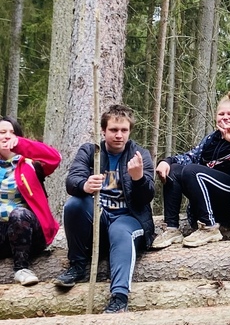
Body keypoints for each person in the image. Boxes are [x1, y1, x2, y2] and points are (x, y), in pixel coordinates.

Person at [54, 104, 156, 313]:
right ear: (103, 130)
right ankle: (77, 266)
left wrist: (138, 179)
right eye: (113, 130)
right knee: (74, 204)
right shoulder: (90, 151)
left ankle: (119, 297)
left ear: (129, 131)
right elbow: (72, 180)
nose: (119, 135)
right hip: (98, 221)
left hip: (128, 219)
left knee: (120, 230)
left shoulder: (139, 154)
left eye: (124, 130)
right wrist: (84, 185)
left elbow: (147, 196)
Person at [151, 90, 230, 249]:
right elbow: (190, 156)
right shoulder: (211, 139)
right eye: (221, 114)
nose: (225, 117)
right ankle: (172, 229)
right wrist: (166, 161)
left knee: (192, 171)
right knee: (174, 170)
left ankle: (209, 228)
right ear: (216, 118)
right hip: (209, 194)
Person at [0, 116, 61, 286]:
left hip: (28, 233)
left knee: (19, 214)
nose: (7, 136)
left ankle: (22, 269)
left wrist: (22, 145)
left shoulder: (30, 164)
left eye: (12, 132)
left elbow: (55, 158)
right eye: (2, 132)